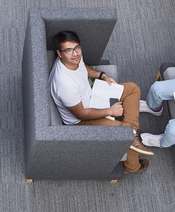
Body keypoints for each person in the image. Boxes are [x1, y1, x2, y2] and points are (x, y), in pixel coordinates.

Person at [48, 31, 154, 174]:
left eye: (77, 48)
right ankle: (132, 166)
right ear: (60, 53)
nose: (75, 53)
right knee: (124, 133)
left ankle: (134, 133)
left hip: (92, 95)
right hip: (81, 120)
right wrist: (110, 111)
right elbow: (82, 114)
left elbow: (82, 67)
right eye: (68, 50)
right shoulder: (65, 85)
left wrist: (102, 76)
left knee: (132, 89)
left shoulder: (74, 58)